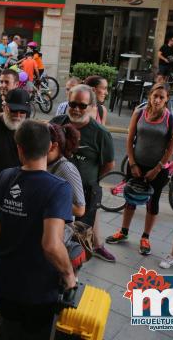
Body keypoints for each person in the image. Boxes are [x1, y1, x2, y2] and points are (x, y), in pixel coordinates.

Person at [0, 120, 75, 339]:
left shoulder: (5, 177)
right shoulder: (58, 188)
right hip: (39, 290)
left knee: (7, 332)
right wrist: (68, 275)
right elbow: (51, 245)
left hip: (6, 282)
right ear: (49, 148)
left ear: (19, 148)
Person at [106, 84, 173, 256]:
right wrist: (132, 163)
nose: (158, 100)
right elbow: (130, 138)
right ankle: (123, 232)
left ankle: (145, 237)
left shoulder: (171, 120)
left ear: (166, 99)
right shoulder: (139, 113)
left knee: (152, 203)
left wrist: (157, 168)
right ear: (150, 96)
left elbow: (170, 148)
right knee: (130, 197)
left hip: (158, 169)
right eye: (155, 96)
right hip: (136, 165)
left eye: (162, 97)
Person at [50, 84, 116, 262]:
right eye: (72, 104)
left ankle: (78, 263)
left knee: (79, 236)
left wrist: (90, 178)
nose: (76, 109)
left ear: (91, 106)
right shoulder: (57, 123)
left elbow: (109, 164)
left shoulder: (101, 134)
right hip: (55, 189)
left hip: (85, 193)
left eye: (82, 105)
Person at [47, 123, 85, 219]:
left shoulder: (67, 169)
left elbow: (80, 210)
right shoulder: (45, 162)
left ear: (54, 146)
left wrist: (46, 199)